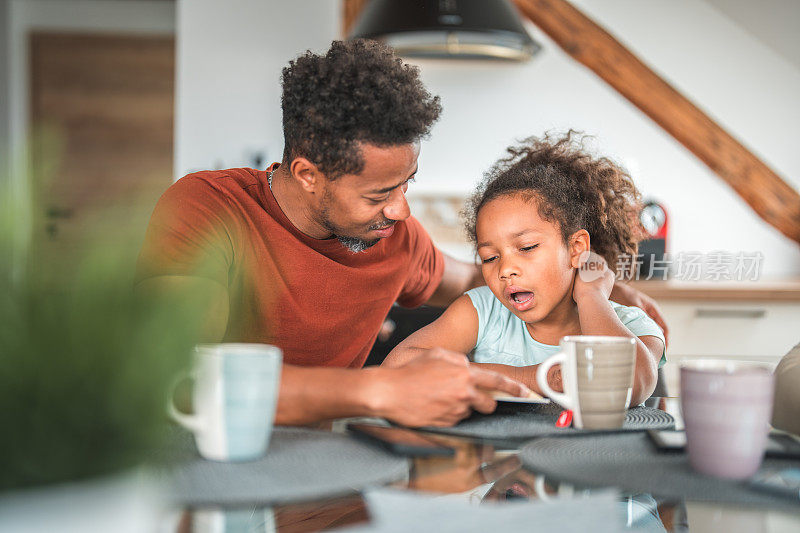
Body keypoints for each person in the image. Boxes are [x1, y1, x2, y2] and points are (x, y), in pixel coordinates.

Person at [136, 40, 666, 427]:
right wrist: (379, 390)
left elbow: (470, 282)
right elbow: (186, 379)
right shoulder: (207, 210)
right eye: (378, 194)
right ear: (307, 175)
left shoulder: (396, 237)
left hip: (334, 461)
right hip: (211, 456)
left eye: (406, 184)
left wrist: (604, 289)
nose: (400, 210)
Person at [383, 133, 666, 406]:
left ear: (577, 248)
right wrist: (540, 378)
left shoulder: (632, 324)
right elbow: (395, 369)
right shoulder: (482, 312)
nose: (505, 269)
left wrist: (592, 295)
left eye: (527, 248)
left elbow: (633, 386)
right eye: (490, 257)